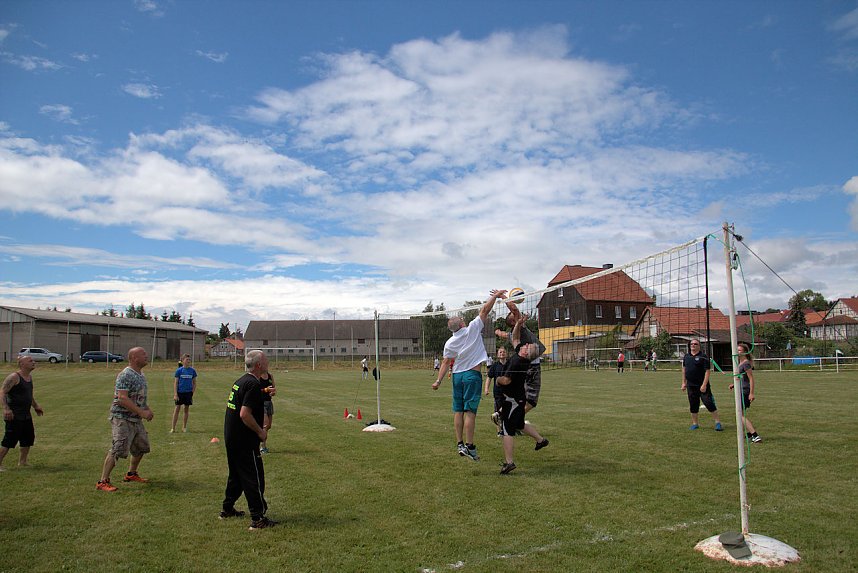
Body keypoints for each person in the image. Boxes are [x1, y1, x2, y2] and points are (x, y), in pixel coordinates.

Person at [432, 289, 505, 461]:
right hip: (472, 375)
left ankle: (459, 443)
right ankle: (470, 447)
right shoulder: (472, 328)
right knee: (470, 412)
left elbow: (445, 363)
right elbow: (485, 310)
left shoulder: (449, 343)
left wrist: (438, 381)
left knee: (458, 411)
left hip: (457, 377)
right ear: (463, 323)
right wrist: (494, 296)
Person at [221, 350, 276, 530]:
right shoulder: (252, 384)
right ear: (259, 364)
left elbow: (248, 397)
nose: (268, 362)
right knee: (254, 477)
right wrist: (260, 432)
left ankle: (227, 509)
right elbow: (245, 414)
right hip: (244, 439)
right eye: (265, 359)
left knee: (237, 475)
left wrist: (265, 391)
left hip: (232, 437)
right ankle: (258, 518)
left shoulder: (242, 381)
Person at [97, 347, 154, 491]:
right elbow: (122, 398)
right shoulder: (125, 375)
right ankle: (103, 481)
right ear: (134, 358)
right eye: (143, 354)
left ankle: (131, 474)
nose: (146, 356)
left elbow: (138, 397)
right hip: (122, 418)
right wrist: (141, 412)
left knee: (142, 447)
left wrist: (146, 408)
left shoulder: (140, 375)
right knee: (118, 448)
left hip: (135, 419)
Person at [496, 316, 548, 475]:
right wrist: (518, 323)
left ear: (526, 353)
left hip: (512, 400)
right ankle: (541, 440)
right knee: (519, 424)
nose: (526, 344)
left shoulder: (518, 361)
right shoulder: (521, 354)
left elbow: (506, 380)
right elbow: (516, 337)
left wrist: (497, 380)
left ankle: (509, 462)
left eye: (528, 346)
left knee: (507, 429)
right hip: (519, 399)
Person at [494, 299, 547, 415]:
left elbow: (503, 334)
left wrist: (497, 332)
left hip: (522, 367)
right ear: (514, 321)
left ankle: (500, 414)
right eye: (515, 316)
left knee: (518, 396)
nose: (518, 314)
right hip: (532, 367)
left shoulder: (513, 335)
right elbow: (514, 309)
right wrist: (505, 298)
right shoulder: (520, 328)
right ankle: (511, 418)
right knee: (531, 401)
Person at [0, 355, 44, 471]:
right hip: (14, 415)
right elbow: (3, 392)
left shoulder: (29, 377)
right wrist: (6, 409)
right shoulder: (14, 377)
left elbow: (29, 395)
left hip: (26, 415)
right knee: (9, 441)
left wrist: (35, 406)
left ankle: (22, 462)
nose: (33, 362)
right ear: (22, 364)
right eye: (30, 361)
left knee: (27, 439)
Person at [681, 339, 723, 431]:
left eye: (695, 344)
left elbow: (707, 372)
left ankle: (717, 423)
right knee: (693, 405)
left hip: (702, 385)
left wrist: (704, 385)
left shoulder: (703, 357)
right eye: (691, 344)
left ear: (699, 346)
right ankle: (695, 423)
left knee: (708, 403)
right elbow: (684, 370)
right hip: (691, 385)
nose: (693, 345)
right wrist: (684, 383)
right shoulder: (686, 357)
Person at [730, 343, 761, 443]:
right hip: (740, 389)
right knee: (740, 413)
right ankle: (750, 433)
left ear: (745, 352)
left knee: (740, 414)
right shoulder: (740, 363)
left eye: (739, 350)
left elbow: (751, 378)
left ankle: (755, 435)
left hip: (745, 391)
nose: (737, 352)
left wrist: (751, 393)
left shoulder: (746, 363)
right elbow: (742, 378)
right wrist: (734, 384)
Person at [171, 354, 197, 433]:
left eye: (189, 360)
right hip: (180, 393)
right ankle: (173, 428)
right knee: (177, 409)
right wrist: (175, 394)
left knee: (186, 409)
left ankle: (184, 427)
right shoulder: (179, 370)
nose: (188, 361)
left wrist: (192, 392)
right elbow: (176, 383)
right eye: (187, 359)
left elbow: (194, 383)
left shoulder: (192, 371)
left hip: (188, 393)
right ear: (182, 361)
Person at [484, 347, 508, 433]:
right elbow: (489, 378)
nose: (502, 353)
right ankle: (499, 430)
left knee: (508, 410)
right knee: (497, 413)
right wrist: (486, 389)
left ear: (506, 354)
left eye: (504, 352)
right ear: (498, 355)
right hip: (498, 393)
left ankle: (508, 428)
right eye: (500, 352)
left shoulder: (510, 365)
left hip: (508, 393)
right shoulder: (494, 366)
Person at [259, 370, 276, 454]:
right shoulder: (258, 376)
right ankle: (263, 447)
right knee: (265, 425)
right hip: (260, 403)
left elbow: (274, 389)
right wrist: (266, 390)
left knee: (268, 426)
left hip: (269, 402)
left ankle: (260, 442)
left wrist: (273, 393)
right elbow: (255, 390)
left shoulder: (270, 376)